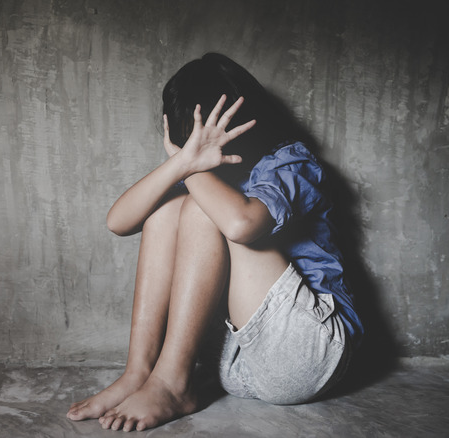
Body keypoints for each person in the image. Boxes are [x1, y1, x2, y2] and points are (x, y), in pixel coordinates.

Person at [66, 53, 362, 432]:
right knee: (164, 211)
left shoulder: (289, 162)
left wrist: (192, 169)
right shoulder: (199, 175)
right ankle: (139, 372)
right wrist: (181, 164)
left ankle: (172, 383)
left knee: (203, 210)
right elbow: (118, 222)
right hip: (235, 363)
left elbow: (240, 224)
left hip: (308, 354)